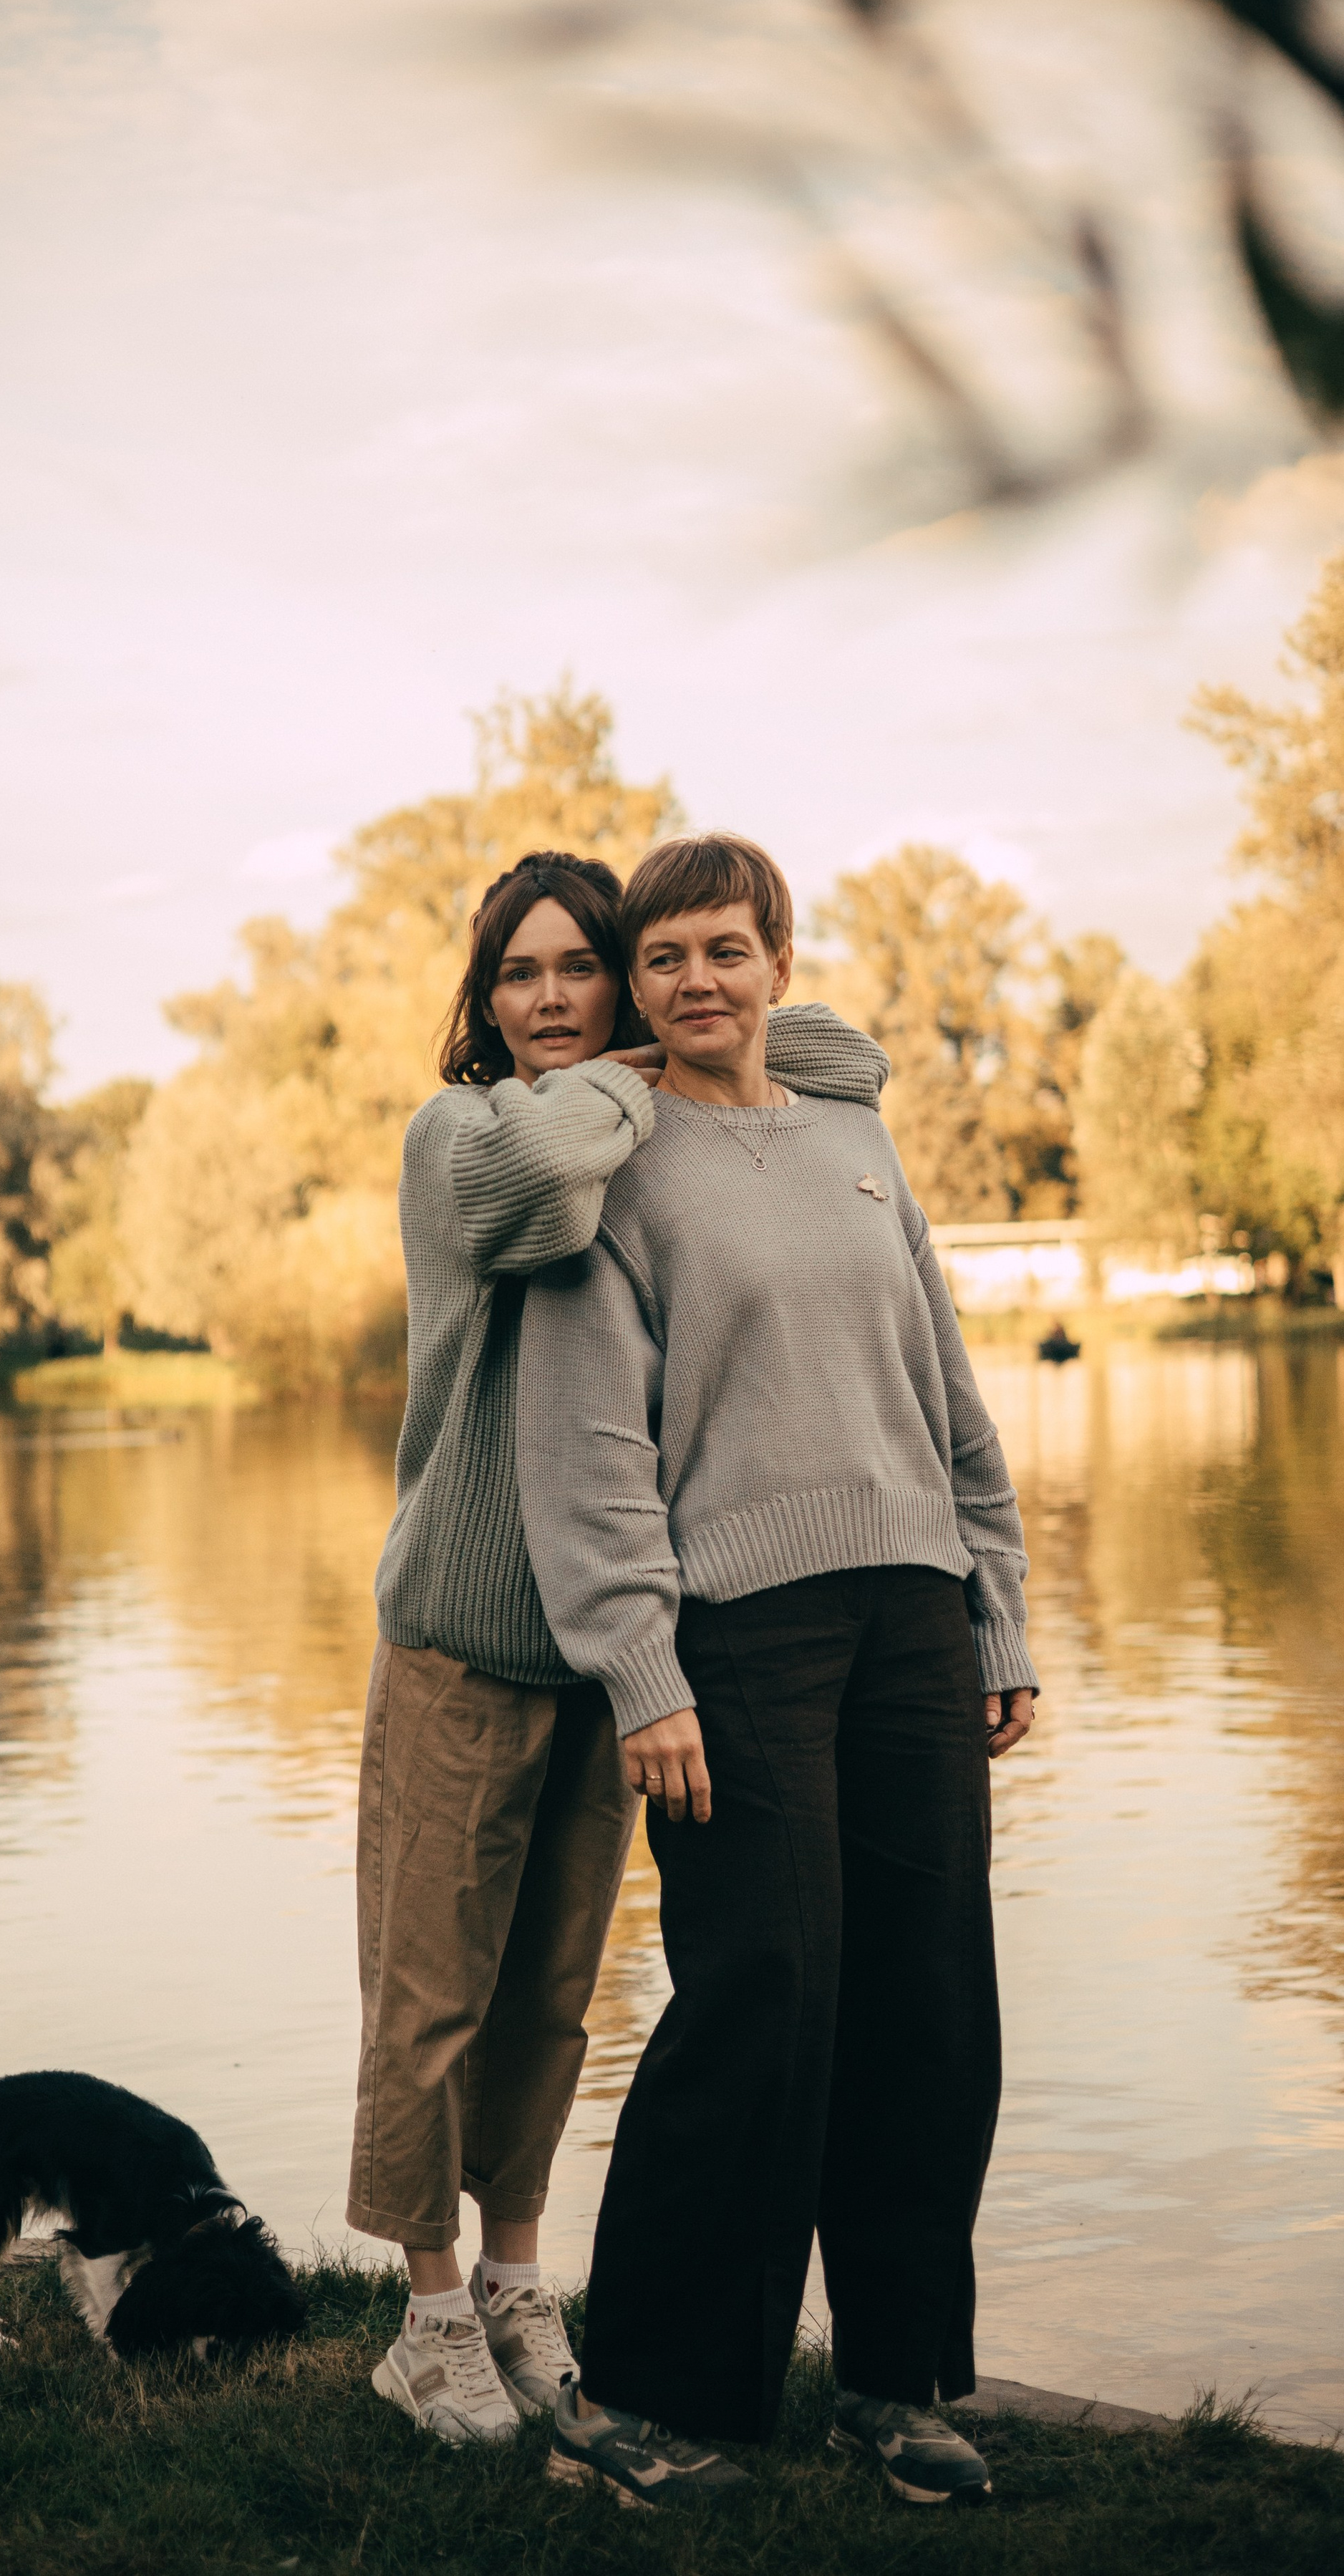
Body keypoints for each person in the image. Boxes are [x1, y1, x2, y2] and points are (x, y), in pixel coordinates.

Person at [515, 829, 1038, 2512]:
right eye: (660, 959)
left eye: (725, 951)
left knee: (926, 2005)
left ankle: (892, 2383)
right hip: (735, 1631)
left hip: (909, 1613)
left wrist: (997, 1611)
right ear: (635, 986)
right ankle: (642, 2397)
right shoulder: (612, 1162)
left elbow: (944, 1393)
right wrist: (638, 1671)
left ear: (776, 962)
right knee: (760, 1999)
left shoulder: (857, 1141)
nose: (695, 983)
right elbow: (588, 1443)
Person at [350, 845, 889, 2445]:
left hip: (607, 1644)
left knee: (550, 2002)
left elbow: (850, 1062)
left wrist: (682, 1036)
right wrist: (645, 1073)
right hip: (460, 1638)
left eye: (577, 968)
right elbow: (530, 1199)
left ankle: (521, 2286)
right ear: (482, 1000)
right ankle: (426, 2313)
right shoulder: (462, 1135)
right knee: (426, 1995)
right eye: (514, 975)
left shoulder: (625, 1108)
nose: (544, 1001)